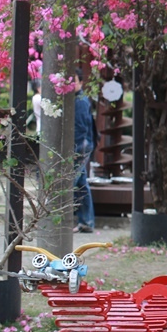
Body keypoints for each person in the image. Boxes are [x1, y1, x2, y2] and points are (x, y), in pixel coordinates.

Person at [73, 72, 97, 234]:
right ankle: (86, 221)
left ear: (81, 82)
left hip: (80, 146)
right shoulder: (78, 99)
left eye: (73, 81)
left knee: (71, 182)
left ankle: (57, 219)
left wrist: (74, 150)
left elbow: (81, 127)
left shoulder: (80, 101)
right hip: (82, 144)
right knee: (81, 183)